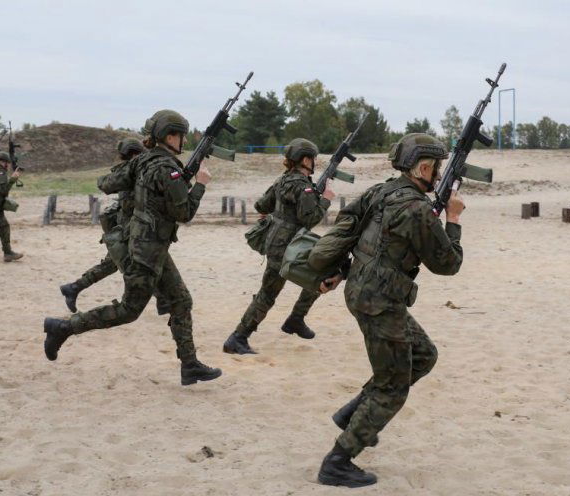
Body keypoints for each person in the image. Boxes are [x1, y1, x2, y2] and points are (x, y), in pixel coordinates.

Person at [313, 133, 465, 487]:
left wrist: (340, 271)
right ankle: (338, 460)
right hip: (379, 302)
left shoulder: (381, 192)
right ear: (424, 167)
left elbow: (362, 239)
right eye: (437, 167)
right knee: (393, 387)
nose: (439, 173)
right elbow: (448, 263)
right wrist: (453, 220)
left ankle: (354, 414)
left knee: (424, 355)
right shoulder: (415, 209)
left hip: (365, 293)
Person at [42, 110, 221, 386]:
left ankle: (190, 365)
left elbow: (106, 184)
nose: (184, 141)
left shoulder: (144, 162)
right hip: (146, 252)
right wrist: (199, 185)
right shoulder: (166, 168)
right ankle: (62, 327)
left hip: (149, 246)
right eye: (181, 135)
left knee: (181, 301)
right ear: (169, 135)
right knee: (129, 310)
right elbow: (184, 213)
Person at [223, 138, 334, 355]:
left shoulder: (282, 180)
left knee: (268, 292)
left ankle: (239, 337)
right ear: (305, 159)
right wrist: (326, 199)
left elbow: (261, 206)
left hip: (274, 244)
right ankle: (295, 319)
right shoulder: (303, 186)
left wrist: (280, 216)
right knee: (325, 274)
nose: (315, 163)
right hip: (291, 247)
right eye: (313, 158)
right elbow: (309, 219)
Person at [59, 137, 147, 312]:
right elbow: (108, 184)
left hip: (129, 229)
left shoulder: (130, 172)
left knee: (111, 264)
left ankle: (74, 288)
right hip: (128, 231)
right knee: (141, 267)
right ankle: (164, 301)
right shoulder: (128, 174)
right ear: (135, 154)